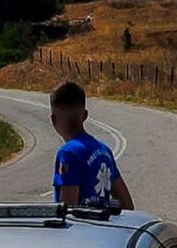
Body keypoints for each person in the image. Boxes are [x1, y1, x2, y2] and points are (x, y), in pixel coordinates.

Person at [49, 80, 134, 210]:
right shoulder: (104, 150)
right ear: (85, 115)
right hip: (103, 227)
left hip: (81, 229)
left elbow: (68, 209)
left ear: (54, 119)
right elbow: (126, 204)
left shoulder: (68, 153)